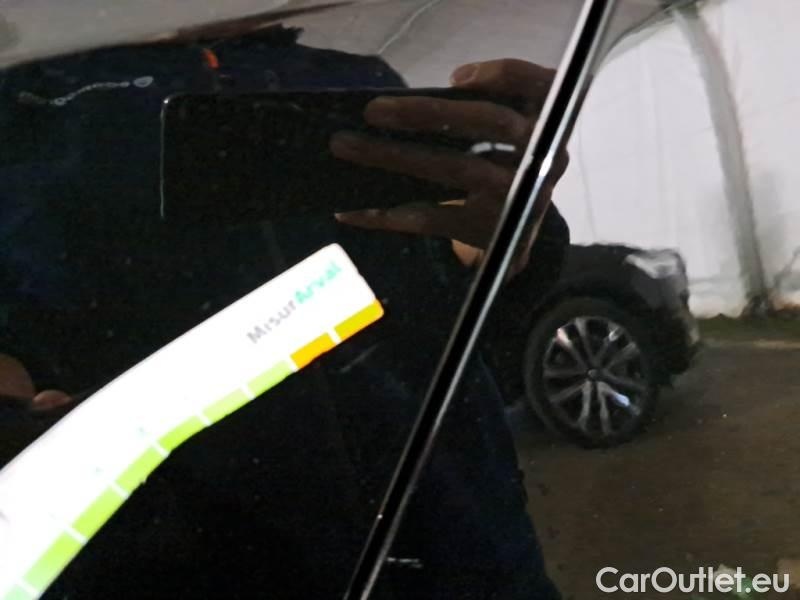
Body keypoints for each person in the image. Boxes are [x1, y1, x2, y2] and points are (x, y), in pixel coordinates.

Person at [0, 19, 568, 600]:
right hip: (187, 563)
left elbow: (446, 307)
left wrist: (506, 238)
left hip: (469, 543)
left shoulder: (354, 77)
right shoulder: (24, 108)